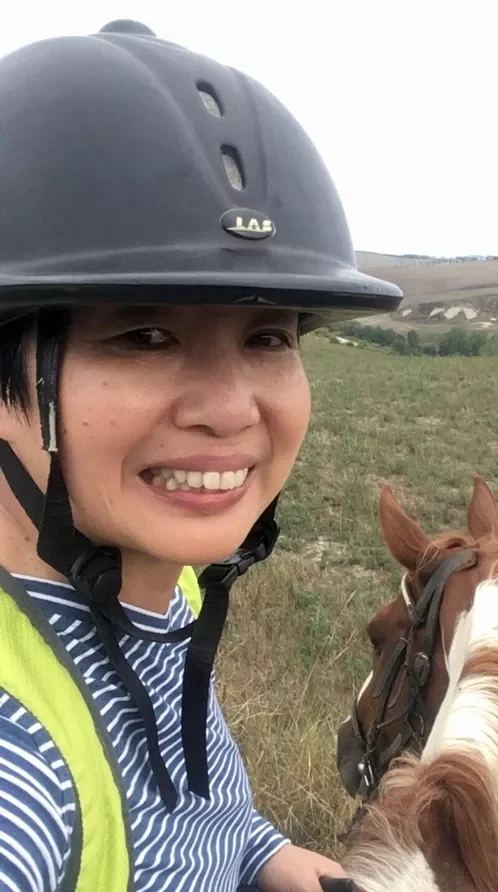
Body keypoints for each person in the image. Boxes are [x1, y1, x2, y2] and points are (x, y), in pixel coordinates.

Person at [0, 18, 401, 892]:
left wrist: (271, 860)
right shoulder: (17, 775)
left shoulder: (155, 579)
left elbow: (201, 819)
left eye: (267, 336)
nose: (230, 409)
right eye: (144, 335)